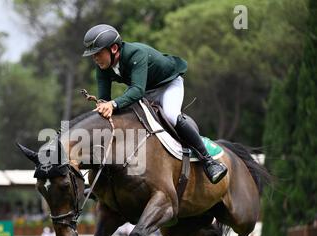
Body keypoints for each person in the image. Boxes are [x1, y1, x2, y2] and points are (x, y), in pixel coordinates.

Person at [82, 24, 227, 184]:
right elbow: (104, 98)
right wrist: (103, 107)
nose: (94, 58)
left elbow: (136, 90)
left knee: (171, 115)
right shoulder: (102, 67)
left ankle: (209, 162)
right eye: (92, 55)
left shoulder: (135, 54)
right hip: (146, 91)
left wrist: (113, 104)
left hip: (168, 85)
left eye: (98, 53)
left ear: (114, 48)